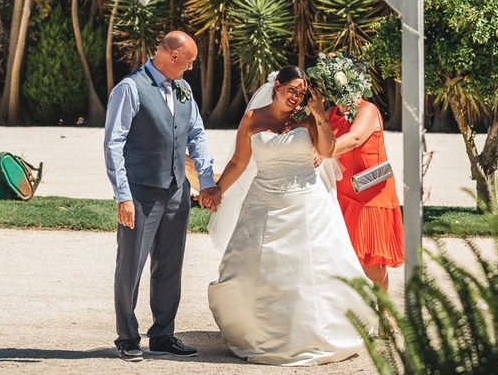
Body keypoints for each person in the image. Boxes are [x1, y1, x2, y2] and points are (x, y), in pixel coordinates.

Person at [207, 66, 375, 366]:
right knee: (260, 269)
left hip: (307, 202)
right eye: (291, 90)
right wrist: (218, 190)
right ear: (277, 86)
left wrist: (320, 114)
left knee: (310, 268)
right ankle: (259, 333)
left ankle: (315, 334)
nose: (296, 97)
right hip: (263, 202)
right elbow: (239, 161)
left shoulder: (308, 118)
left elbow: (327, 150)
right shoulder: (253, 118)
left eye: (301, 92)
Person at [104, 31, 221, 362]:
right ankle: (127, 336)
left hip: (176, 191)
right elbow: (114, 143)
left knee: (170, 265)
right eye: (189, 61)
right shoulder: (130, 88)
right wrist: (122, 196)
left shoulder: (184, 90)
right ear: (172, 56)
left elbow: (196, 134)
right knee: (131, 265)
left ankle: (162, 335)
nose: (190, 68)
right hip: (140, 193)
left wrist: (206, 182)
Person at [326, 99, 404, 293]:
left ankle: (384, 312)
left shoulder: (367, 110)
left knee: (371, 263)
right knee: (342, 255)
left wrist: (321, 151)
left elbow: (354, 139)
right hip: (342, 193)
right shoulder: (330, 114)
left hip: (369, 193)